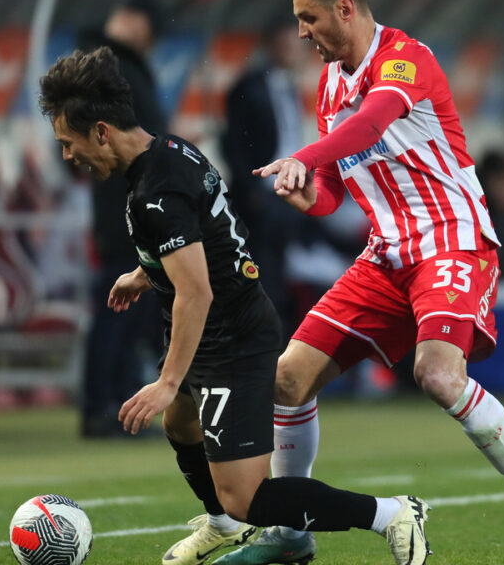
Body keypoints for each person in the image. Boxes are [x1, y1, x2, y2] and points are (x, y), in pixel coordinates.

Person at [217, 0, 504, 565]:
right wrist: (310, 194)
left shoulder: (405, 58)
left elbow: (373, 122)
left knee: (436, 375)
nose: (302, 32)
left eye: (310, 18)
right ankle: (291, 532)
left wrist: (304, 154)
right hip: (386, 255)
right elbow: (331, 186)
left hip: (451, 240)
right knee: (286, 378)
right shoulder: (329, 86)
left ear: (346, 9)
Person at [39, 47, 431, 565]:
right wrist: (145, 273)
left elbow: (196, 291)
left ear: (103, 131)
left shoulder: (155, 193)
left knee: (247, 497)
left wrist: (168, 380)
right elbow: (211, 236)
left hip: (232, 340)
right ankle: (221, 528)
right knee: (180, 424)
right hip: (217, 328)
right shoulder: (172, 152)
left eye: (69, 143)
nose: (69, 156)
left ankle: (392, 514)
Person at [77, 0, 168, 437]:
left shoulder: (113, 65)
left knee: (126, 313)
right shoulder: (109, 68)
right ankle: (102, 405)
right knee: (116, 310)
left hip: (129, 205)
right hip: (123, 209)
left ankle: (114, 402)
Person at [222, 20, 308, 338]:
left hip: (287, 195)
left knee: (280, 275)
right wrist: (251, 191)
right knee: (260, 275)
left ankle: (276, 347)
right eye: (285, 45)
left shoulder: (288, 88)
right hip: (261, 197)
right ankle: (258, 346)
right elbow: (233, 143)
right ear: (270, 47)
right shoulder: (249, 87)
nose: (292, 52)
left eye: (295, 45)